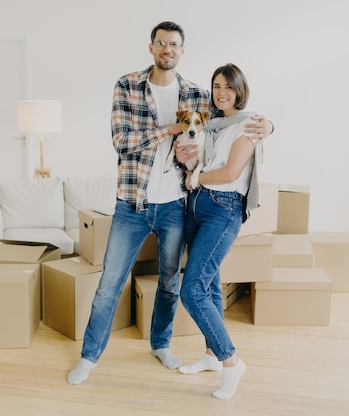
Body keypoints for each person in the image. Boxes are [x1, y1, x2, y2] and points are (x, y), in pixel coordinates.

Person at [67, 22, 273, 385]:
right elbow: (122, 142)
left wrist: (268, 125)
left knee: (170, 281)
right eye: (161, 43)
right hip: (132, 204)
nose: (167, 49)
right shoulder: (128, 85)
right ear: (151, 48)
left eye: (174, 44)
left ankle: (160, 344)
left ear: (181, 50)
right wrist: (170, 130)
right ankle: (89, 357)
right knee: (109, 283)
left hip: (178, 205)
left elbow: (231, 114)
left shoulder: (195, 93)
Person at [176, 63, 262, 400]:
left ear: (240, 90)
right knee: (209, 286)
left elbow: (229, 173)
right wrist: (189, 166)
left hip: (223, 209)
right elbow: (205, 163)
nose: (221, 92)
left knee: (191, 291)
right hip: (197, 207)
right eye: (216, 86)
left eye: (228, 87)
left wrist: (194, 178)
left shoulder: (250, 126)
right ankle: (212, 357)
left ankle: (231, 361)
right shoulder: (212, 125)